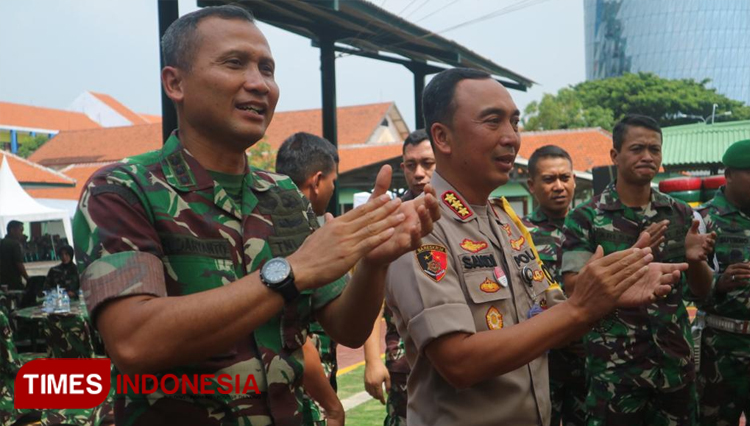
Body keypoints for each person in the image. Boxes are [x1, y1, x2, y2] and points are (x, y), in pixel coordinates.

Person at [73, 6, 439, 425]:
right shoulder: (123, 189)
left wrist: (374, 261)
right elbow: (136, 342)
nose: (259, 84)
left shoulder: (283, 195)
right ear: (175, 83)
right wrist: (293, 271)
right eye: (235, 63)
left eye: (268, 69)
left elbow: (348, 328)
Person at [385, 67, 688, 426]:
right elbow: (458, 362)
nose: (511, 137)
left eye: (514, 122)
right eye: (493, 121)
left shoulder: (505, 221)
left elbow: (545, 319)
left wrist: (608, 295)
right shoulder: (419, 225)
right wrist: (580, 308)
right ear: (443, 137)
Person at [561, 114, 716, 426]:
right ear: (615, 156)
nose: (648, 156)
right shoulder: (585, 218)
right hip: (615, 372)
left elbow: (702, 292)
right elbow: (574, 290)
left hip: (675, 370)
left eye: (655, 149)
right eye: (637, 148)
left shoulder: (681, 214)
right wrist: (629, 262)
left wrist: (696, 260)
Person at [363, 129, 435, 425]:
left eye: (427, 164)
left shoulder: (466, 210)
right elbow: (370, 294)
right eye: (410, 165)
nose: (419, 173)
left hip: (466, 357)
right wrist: (372, 360)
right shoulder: (388, 217)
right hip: (406, 362)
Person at [275, 131, 343, 425]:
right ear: (316, 182)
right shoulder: (304, 236)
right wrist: (332, 406)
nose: (332, 189)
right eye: (332, 182)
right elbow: (294, 337)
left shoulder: (256, 223)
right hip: (302, 397)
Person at [522, 145, 586, 426]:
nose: (559, 186)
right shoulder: (518, 234)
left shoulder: (593, 227)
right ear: (531, 186)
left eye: (565, 177)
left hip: (587, 358)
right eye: (549, 179)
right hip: (540, 359)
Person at [695, 139, 750, 426]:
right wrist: (718, 282)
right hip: (721, 350)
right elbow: (685, 287)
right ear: (729, 175)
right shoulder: (703, 219)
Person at [0, 221, 28, 291]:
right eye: (20, 230)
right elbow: (19, 264)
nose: (22, 233)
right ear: (12, 230)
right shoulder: (15, 244)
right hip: (13, 282)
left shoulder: (2, 242)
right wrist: (27, 278)